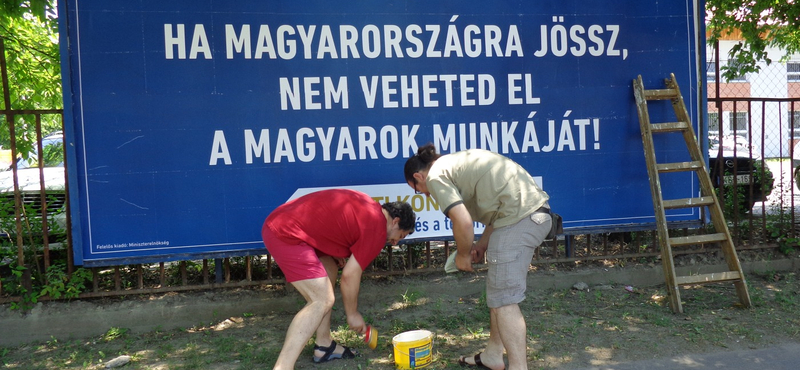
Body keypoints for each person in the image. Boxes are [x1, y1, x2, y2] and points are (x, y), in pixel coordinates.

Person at [404, 144, 551, 370]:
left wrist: (463, 254)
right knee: (498, 293)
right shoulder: (455, 164)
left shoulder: (434, 176)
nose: (424, 193)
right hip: (526, 215)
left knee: (504, 301)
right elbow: (499, 211)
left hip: (520, 219)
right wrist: (481, 245)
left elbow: (462, 221)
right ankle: (493, 354)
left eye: (417, 189)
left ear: (418, 176)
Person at [261, 189, 415, 369]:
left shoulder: (370, 207)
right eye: (400, 236)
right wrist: (353, 314)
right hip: (285, 233)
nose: (395, 242)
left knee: (330, 267)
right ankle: (283, 367)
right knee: (321, 299)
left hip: (282, 223)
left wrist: (336, 250)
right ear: (395, 221)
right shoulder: (377, 229)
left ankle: (324, 345)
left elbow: (334, 226)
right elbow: (350, 275)